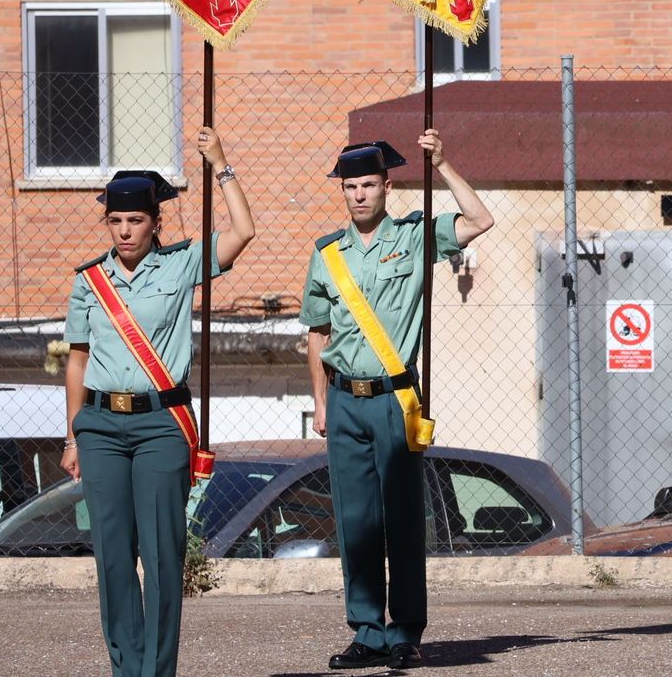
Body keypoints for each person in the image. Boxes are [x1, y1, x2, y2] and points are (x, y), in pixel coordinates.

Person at [60, 128, 255, 677]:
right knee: (113, 557)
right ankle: (127, 668)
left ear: (155, 222)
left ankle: (157, 670)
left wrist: (221, 163)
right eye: (116, 221)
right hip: (98, 425)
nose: (125, 231)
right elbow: (76, 360)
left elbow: (243, 231)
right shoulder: (88, 281)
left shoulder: (181, 265)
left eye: (136, 221)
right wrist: (72, 436)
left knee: (162, 557)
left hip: (161, 425)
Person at [302, 131, 494, 671]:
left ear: (388, 187)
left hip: (394, 399)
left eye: (368, 184)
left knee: (404, 520)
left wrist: (445, 163)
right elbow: (317, 332)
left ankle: (405, 631)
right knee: (355, 520)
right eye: (350, 187)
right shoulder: (326, 254)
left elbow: (480, 220)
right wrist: (319, 400)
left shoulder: (413, 237)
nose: (359, 195)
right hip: (344, 400)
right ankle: (366, 630)